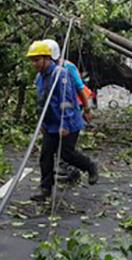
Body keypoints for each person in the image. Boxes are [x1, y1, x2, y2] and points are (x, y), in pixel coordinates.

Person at [26, 40, 98, 203]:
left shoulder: (61, 74)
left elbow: (67, 100)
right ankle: (45, 189)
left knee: (66, 153)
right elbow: (41, 102)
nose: (34, 64)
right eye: (32, 60)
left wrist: (64, 125)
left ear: (47, 58)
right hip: (51, 124)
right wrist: (42, 124)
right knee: (45, 155)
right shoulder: (39, 77)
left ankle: (90, 166)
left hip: (68, 122)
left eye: (37, 60)